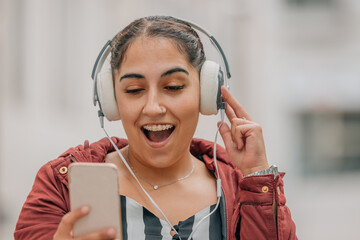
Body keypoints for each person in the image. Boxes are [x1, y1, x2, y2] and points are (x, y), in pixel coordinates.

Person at [14, 16, 297, 240]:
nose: (152, 107)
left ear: (207, 93)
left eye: (173, 87)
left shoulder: (239, 186)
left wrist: (256, 178)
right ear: (111, 101)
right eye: (134, 90)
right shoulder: (59, 186)